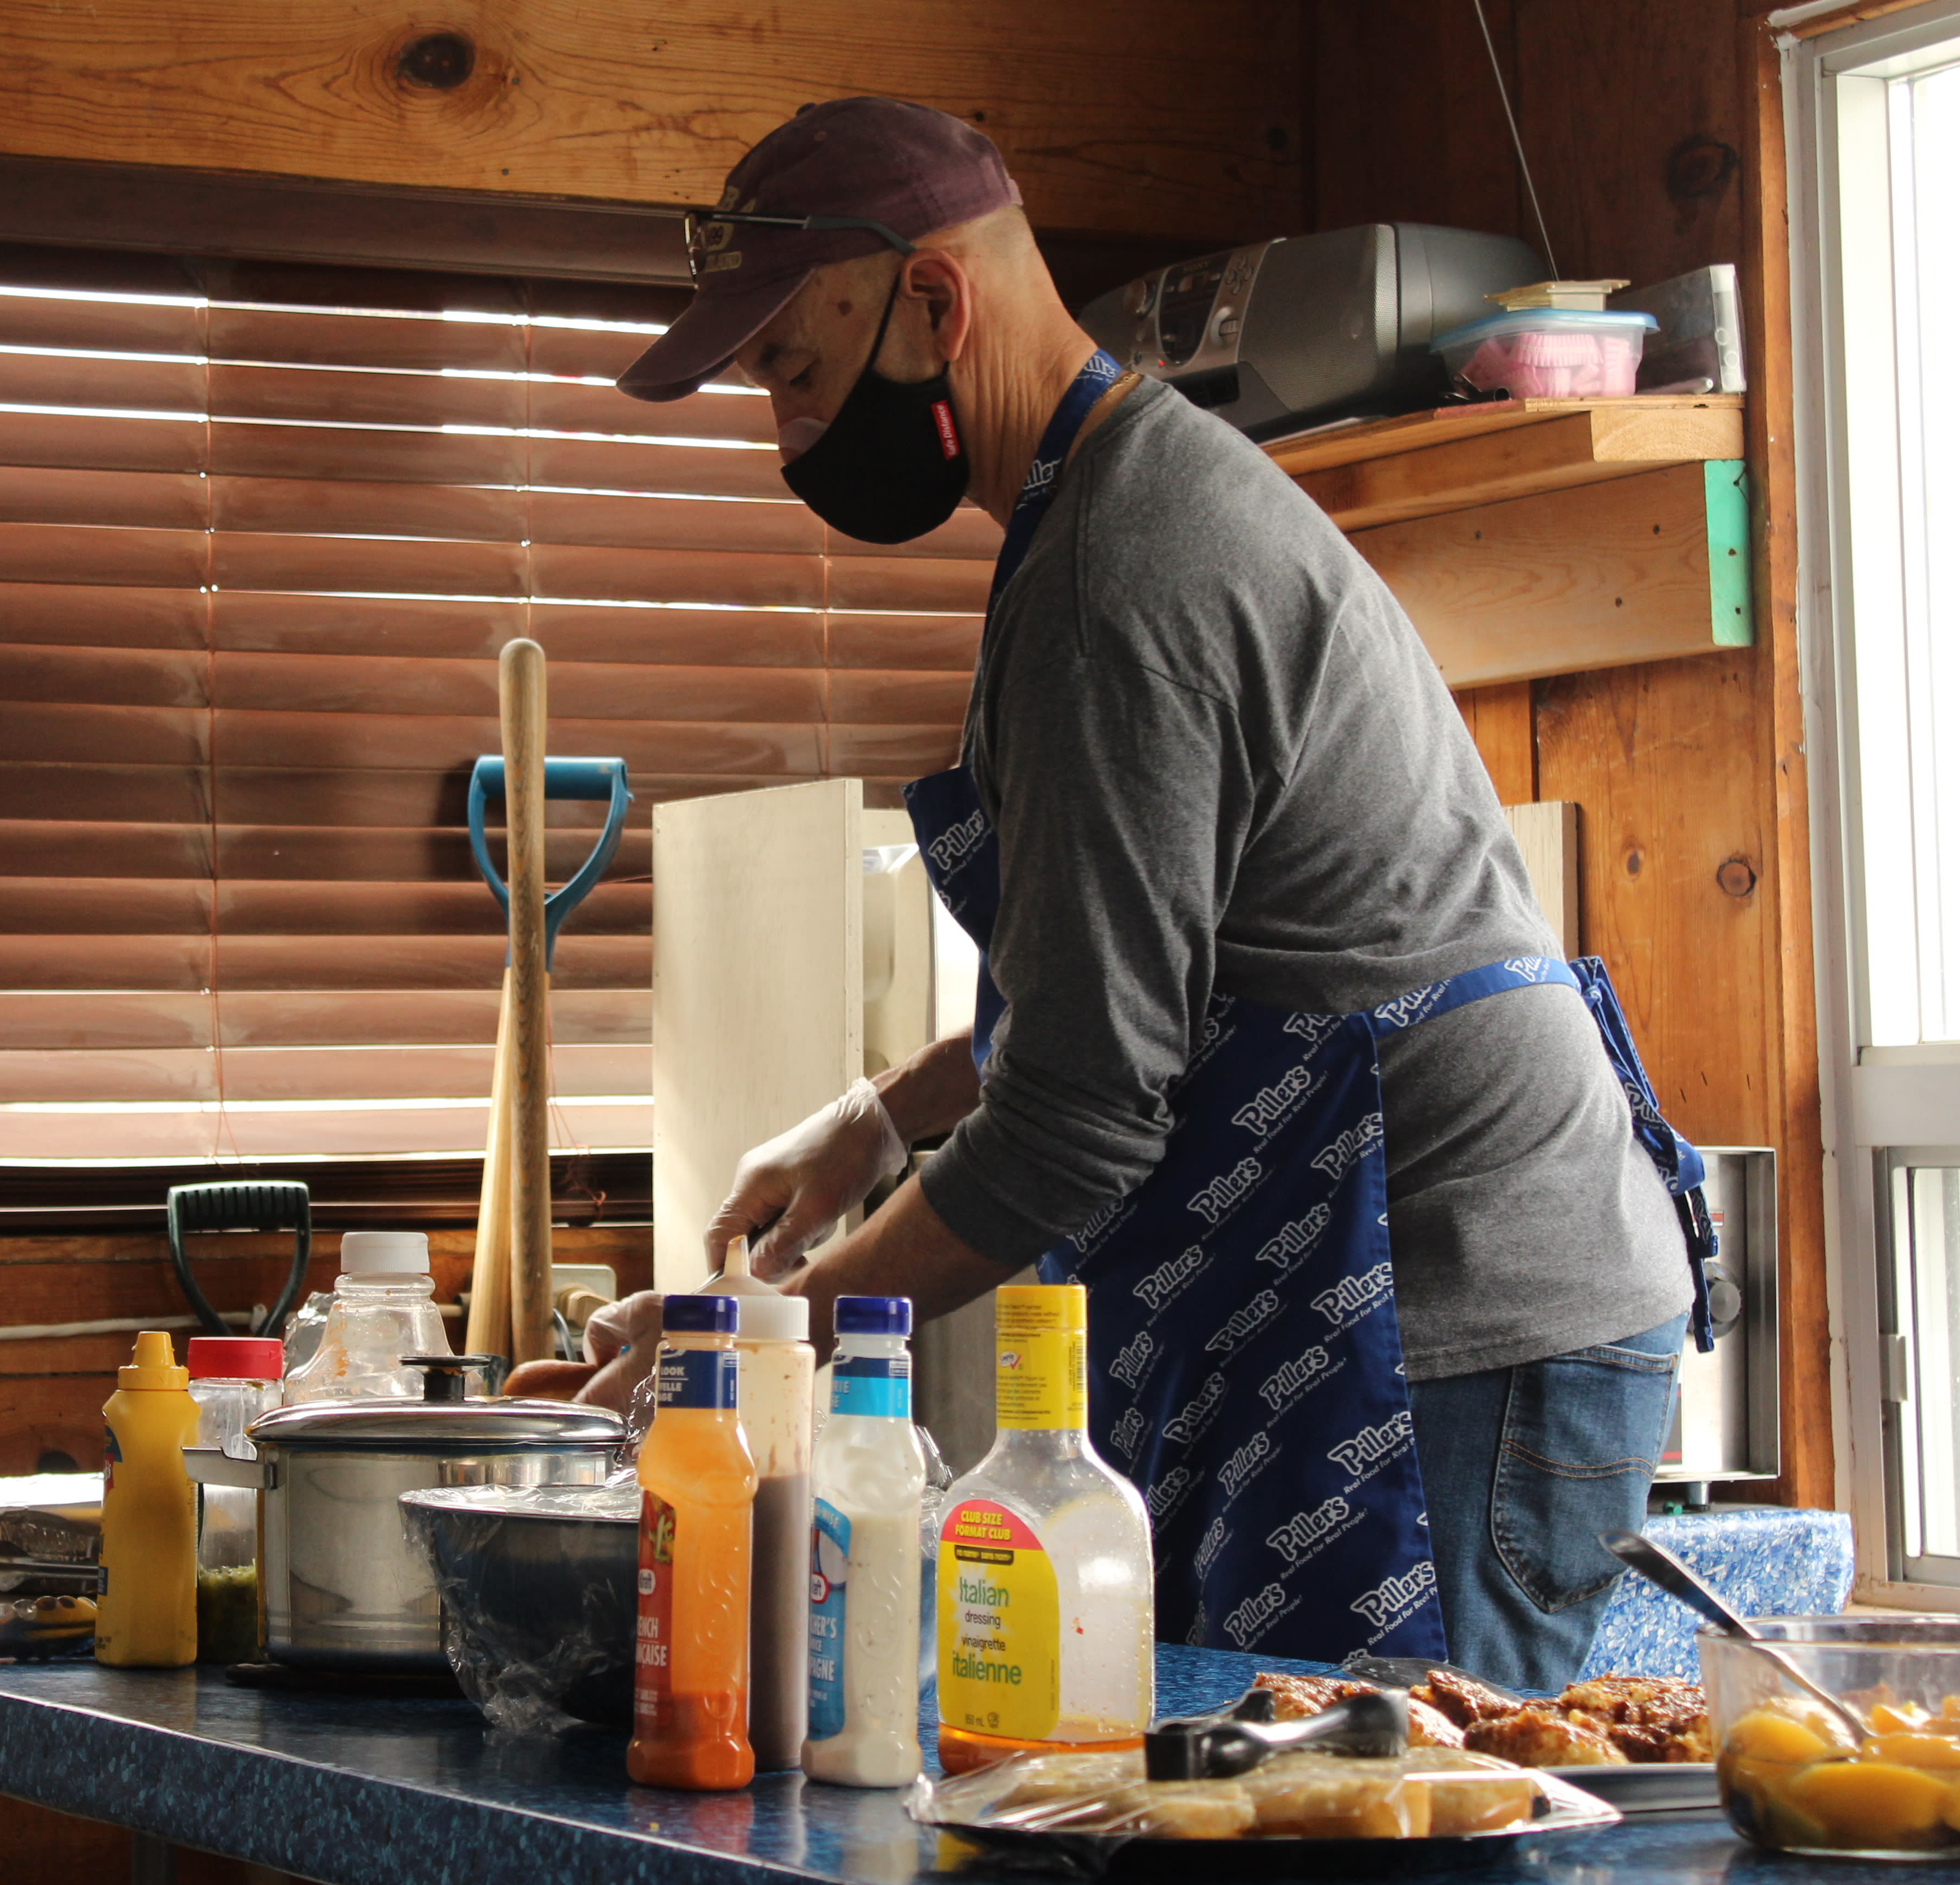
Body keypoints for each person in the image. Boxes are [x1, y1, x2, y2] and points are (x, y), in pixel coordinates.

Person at [573, 97, 1708, 1689]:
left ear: (937, 306)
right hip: (1378, 1281)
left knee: (1410, 1836)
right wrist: (882, 1117)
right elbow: (1160, 976)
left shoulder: (1121, 572)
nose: (787, 441)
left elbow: (1082, 1108)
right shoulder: (1107, 518)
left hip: (1455, 1314)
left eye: (797, 374)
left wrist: (753, 1344)